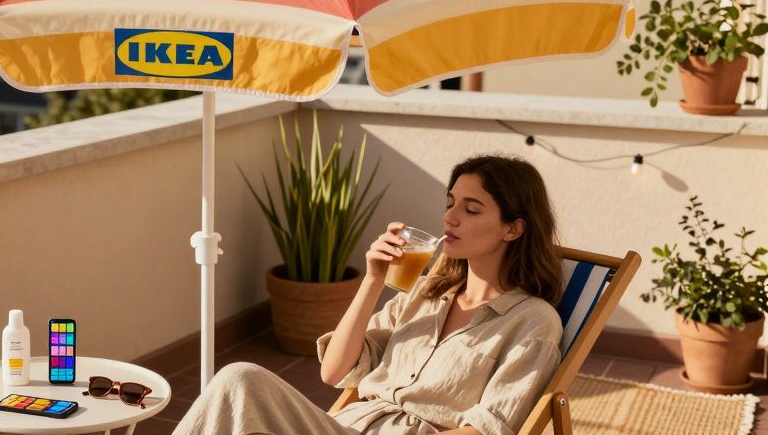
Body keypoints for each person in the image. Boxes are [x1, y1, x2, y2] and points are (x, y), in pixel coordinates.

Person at [171, 154, 565, 435]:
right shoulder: (427, 292)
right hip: (344, 426)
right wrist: (373, 278)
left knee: (240, 385)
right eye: (449, 204)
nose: (449, 218)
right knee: (239, 382)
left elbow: (489, 428)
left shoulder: (533, 322)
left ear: (513, 228)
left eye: (471, 209)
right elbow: (335, 372)